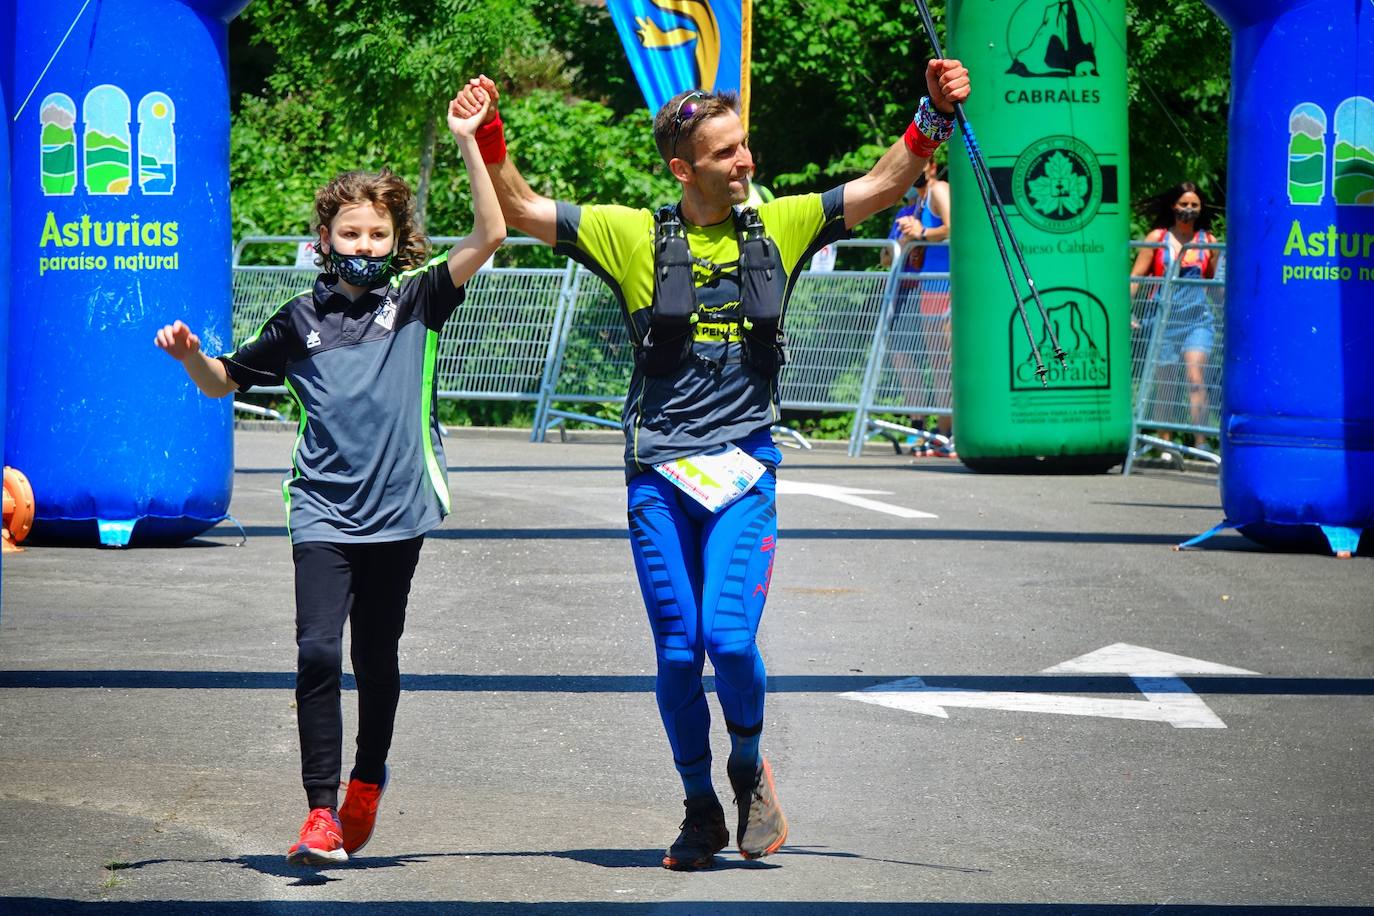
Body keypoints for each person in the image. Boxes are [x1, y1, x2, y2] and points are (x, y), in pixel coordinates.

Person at [453, 59, 970, 869]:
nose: (745, 161)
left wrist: (932, 114)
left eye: (745, 146)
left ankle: (746, 771)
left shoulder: (784, 222)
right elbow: (517, 208)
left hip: (743, 471)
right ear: (682, 168)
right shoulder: (629, 234)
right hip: (659, 474)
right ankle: (698, 806)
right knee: (674, 650)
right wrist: (486, 129)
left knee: (729, 640)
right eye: (726, 152)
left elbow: (878, 185)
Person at [153, 87, 506, 866]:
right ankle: (319, 814)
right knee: (317, 653)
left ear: (397, 241)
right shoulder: (296, 322)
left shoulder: (418, 301)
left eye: (379, 233)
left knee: (375, 660)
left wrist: (470, 142)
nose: (366, 243)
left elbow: (492, 231)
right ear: (325, 238)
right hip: (322, 512)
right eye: (352, 231)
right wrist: (189, 358)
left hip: (400, 511)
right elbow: (223, 381)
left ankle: (366, 783)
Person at [1128, 181, 1219, 453]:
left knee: (1194, 376)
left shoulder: (1209, 242)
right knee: (1165, 383)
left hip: (1197, 321)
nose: (1188, 210)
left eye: (1194, 205)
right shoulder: (1158, 238)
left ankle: (1201, 443)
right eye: (1184, 204)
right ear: (1173, 206)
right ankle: (1164, 444)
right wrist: (1128, 311)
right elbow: (1136, 277)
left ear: (1201, 209)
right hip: (1162, 319)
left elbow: (1215, 288)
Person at [879, 156, 953, 455]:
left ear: (932, 168)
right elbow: (889, 255)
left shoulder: (939, 190)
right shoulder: (917, 205)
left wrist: (921, 233)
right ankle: (941, 435)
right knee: (937, 365)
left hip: (946, 286)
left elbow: (952, 226)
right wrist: (908, 235)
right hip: (928, 289)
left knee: (946, 364)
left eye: (919, 167)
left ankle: (950, 435)